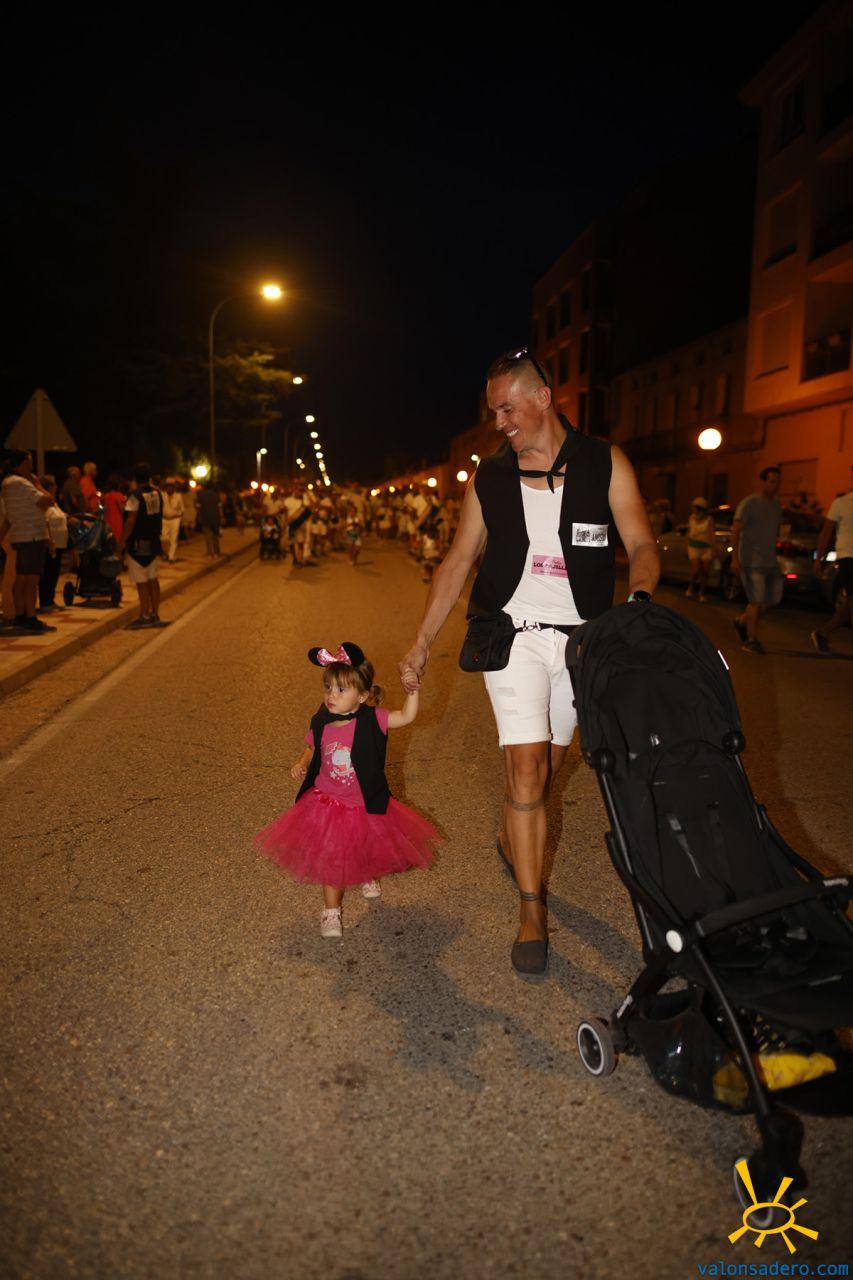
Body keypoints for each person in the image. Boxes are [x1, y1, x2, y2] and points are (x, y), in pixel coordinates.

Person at [399, 347, 659, 979]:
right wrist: (422, 641)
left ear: (542, 398)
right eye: (494, 412)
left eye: (507, 409)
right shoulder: (490, 477)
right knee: (524, 769)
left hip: (581, 641)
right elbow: (458, 561)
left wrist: (638, 606)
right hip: (512, 637)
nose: (500, 423)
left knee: (546, 772)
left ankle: (512, 830)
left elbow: (642, 543)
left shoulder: (604, 463)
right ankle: (531, 909)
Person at [254, 641, 440, 937]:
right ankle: (331, 912)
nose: (331, 695)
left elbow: (406, 717)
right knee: (332, 856)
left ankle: (366, 873)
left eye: (341, 690)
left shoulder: (373, 719)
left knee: (364, 845)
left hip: (364, 801)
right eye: (328, 687)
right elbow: (311, 747)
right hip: (327, 803)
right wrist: (301, 762)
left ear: (362, 696)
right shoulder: (322, 721)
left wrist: (413, 691)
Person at [0, 450, 56, 633]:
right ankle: (30, 617)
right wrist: (38, 484)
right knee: (31, 579)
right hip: (31, 535)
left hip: (19, 535)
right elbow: (48, 500)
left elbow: (10, 516)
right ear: (24, 463)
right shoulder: (21, 483)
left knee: (21, 577)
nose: (32, 466)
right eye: (30, 461)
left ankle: (21, 616)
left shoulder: (7, 483)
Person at [731, 467, 783, 655]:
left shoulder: (776, 506)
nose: (776, 486)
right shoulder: (749, 504)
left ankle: (742, 621)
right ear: (763, 482)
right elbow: (736, 530)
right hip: (751, 560)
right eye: (772, 481)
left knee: (772, 600)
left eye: (778, 482)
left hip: (770, 560)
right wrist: (735, 558)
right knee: (756, 600)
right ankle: (751, 639)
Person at [811, 465, 853, 654]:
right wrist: (818, 559)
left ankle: (822, 633)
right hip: (847, 558)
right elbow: (826, 532)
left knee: (848, 607)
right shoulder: (841, 503)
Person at [117, 462, 165, 630]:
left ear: (135, 479)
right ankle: (155, 614)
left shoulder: (134, 496)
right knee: (152, 578)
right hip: (153, 542)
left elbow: (130, 521)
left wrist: (121, 542)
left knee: (141, 580)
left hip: (138, 543)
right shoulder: (157, 493)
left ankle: (144, 615)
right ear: (149, 477)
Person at [38, 475, 69, 611]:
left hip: (60, 543)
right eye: (54, 485)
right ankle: (45, 602)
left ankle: (50, 600)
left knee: (54, 573)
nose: (56, 487)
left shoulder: (54, 503)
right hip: (51, 544)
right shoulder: (44, 503)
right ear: (49, 487)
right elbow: (45, 522)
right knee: (48, 573)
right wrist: (50, 541)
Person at [684, 497, 716, 602]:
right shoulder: (691, 518)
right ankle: (691, 588)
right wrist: (686, 546)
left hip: (706, 547)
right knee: (696, 570)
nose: (692, 508)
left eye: (694, 507)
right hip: (693, 546)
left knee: (705, 571)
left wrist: (714, 547)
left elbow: (712, 534)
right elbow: (689, 533)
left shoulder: (709, 519)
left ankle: (702, 593)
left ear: (699, 508)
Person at [196, 480, 222, 558]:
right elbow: (219, 507)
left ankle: (210, 552)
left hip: (205, 517)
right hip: (215, 517)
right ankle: (217, 552)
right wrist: (222, 517)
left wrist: (199, 516)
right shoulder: (216, 495)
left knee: (207, 536)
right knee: (215, 536)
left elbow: (198, 508)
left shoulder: (200, 495)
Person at [160, 479, 184, 563]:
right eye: (168, 486)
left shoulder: (178, 496)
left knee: (174, 538)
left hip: (175, 519)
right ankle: (167, 553)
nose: (169, 488)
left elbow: (182, 509)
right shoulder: (162, 495)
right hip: (164, 519)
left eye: (171, 486)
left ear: (174, 488)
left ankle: (172, 557)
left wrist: (178, 516)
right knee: (163, 538)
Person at [102, 475, 127, 545]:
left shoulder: (106, 496)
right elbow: (123, 510)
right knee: (118, 544)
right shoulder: (119, 495)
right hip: (117, 524)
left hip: (108, 524)